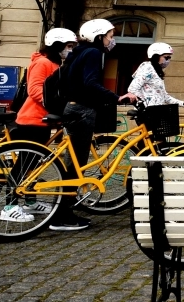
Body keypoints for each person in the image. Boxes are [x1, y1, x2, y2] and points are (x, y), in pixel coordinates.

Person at [53, 19, 137, 231]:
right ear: (98, 36)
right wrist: (116, 97)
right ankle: (63, 215)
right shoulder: (93, 53)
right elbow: (91, 83)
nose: (111, 40)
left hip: (71, 107)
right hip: (82, 110)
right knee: (76, 164)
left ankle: (62, 209)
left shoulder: (77, 52)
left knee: (70, 162)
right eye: (109, 35)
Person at [0, 28, 78, 224]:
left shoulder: (53, 63)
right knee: (24, 165)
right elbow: (35, 90)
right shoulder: (42, 62)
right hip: (32, 120)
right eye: (68, 47)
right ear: (57, 46)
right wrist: (56, 105)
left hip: (43, 120)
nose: (70, 50)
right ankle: (9, 207)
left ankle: (30, 201)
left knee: (33, 165)